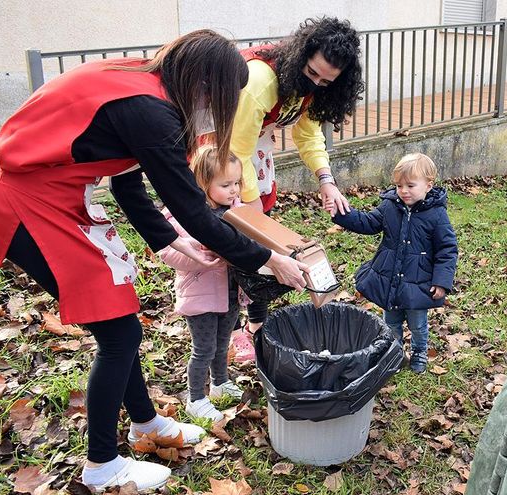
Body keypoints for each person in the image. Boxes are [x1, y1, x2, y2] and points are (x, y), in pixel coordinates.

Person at [0, 31, 308, 490]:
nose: (219, 111)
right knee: (118, 332)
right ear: (206, 86)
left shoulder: (151, 83)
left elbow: (126, 182)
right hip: (28, 202)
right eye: (223, 98)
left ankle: (144, 424)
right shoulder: (151, 110)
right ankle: (101, 465)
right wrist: (268, 258)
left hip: (57, 195)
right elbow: (194, 210)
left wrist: (168, 243)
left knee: (121, 324)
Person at [229, 17, 364, 360]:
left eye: (326, 81)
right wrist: (250, 205)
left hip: (255, 159)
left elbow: (307, 134)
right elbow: (236, 148)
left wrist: (326, 180)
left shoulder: (315, 88)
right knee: (230, 246)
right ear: (299, 56)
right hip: (223, 156)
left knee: (262, 253)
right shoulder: (259, 80)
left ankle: (256, 325)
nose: (316, 84)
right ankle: (229, 332)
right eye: (311, 73)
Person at [332, 153, 458, 373]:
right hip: (389, 277)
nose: (403, 191)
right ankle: (394, 353)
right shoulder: (390, 206)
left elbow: (447, 250)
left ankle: (419, 352)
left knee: (417, 324)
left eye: (410, 185)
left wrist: (442, 281)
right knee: (390, 321)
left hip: (419, 282)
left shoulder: (437, 215)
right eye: (399, 185)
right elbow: (368, 223)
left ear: (428, 185)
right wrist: (342, 214)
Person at [158, 145, 247, 422]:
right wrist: (199, 253)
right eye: (226, 184)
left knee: (222, 344)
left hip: (231, 292)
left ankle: (220, 383)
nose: (234, 190)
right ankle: (196, 397)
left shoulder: (237, 211)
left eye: (237, 183)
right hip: (201, 294)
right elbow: (167, 251)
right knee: (204, 348)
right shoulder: (182, 216)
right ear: (203, 182)